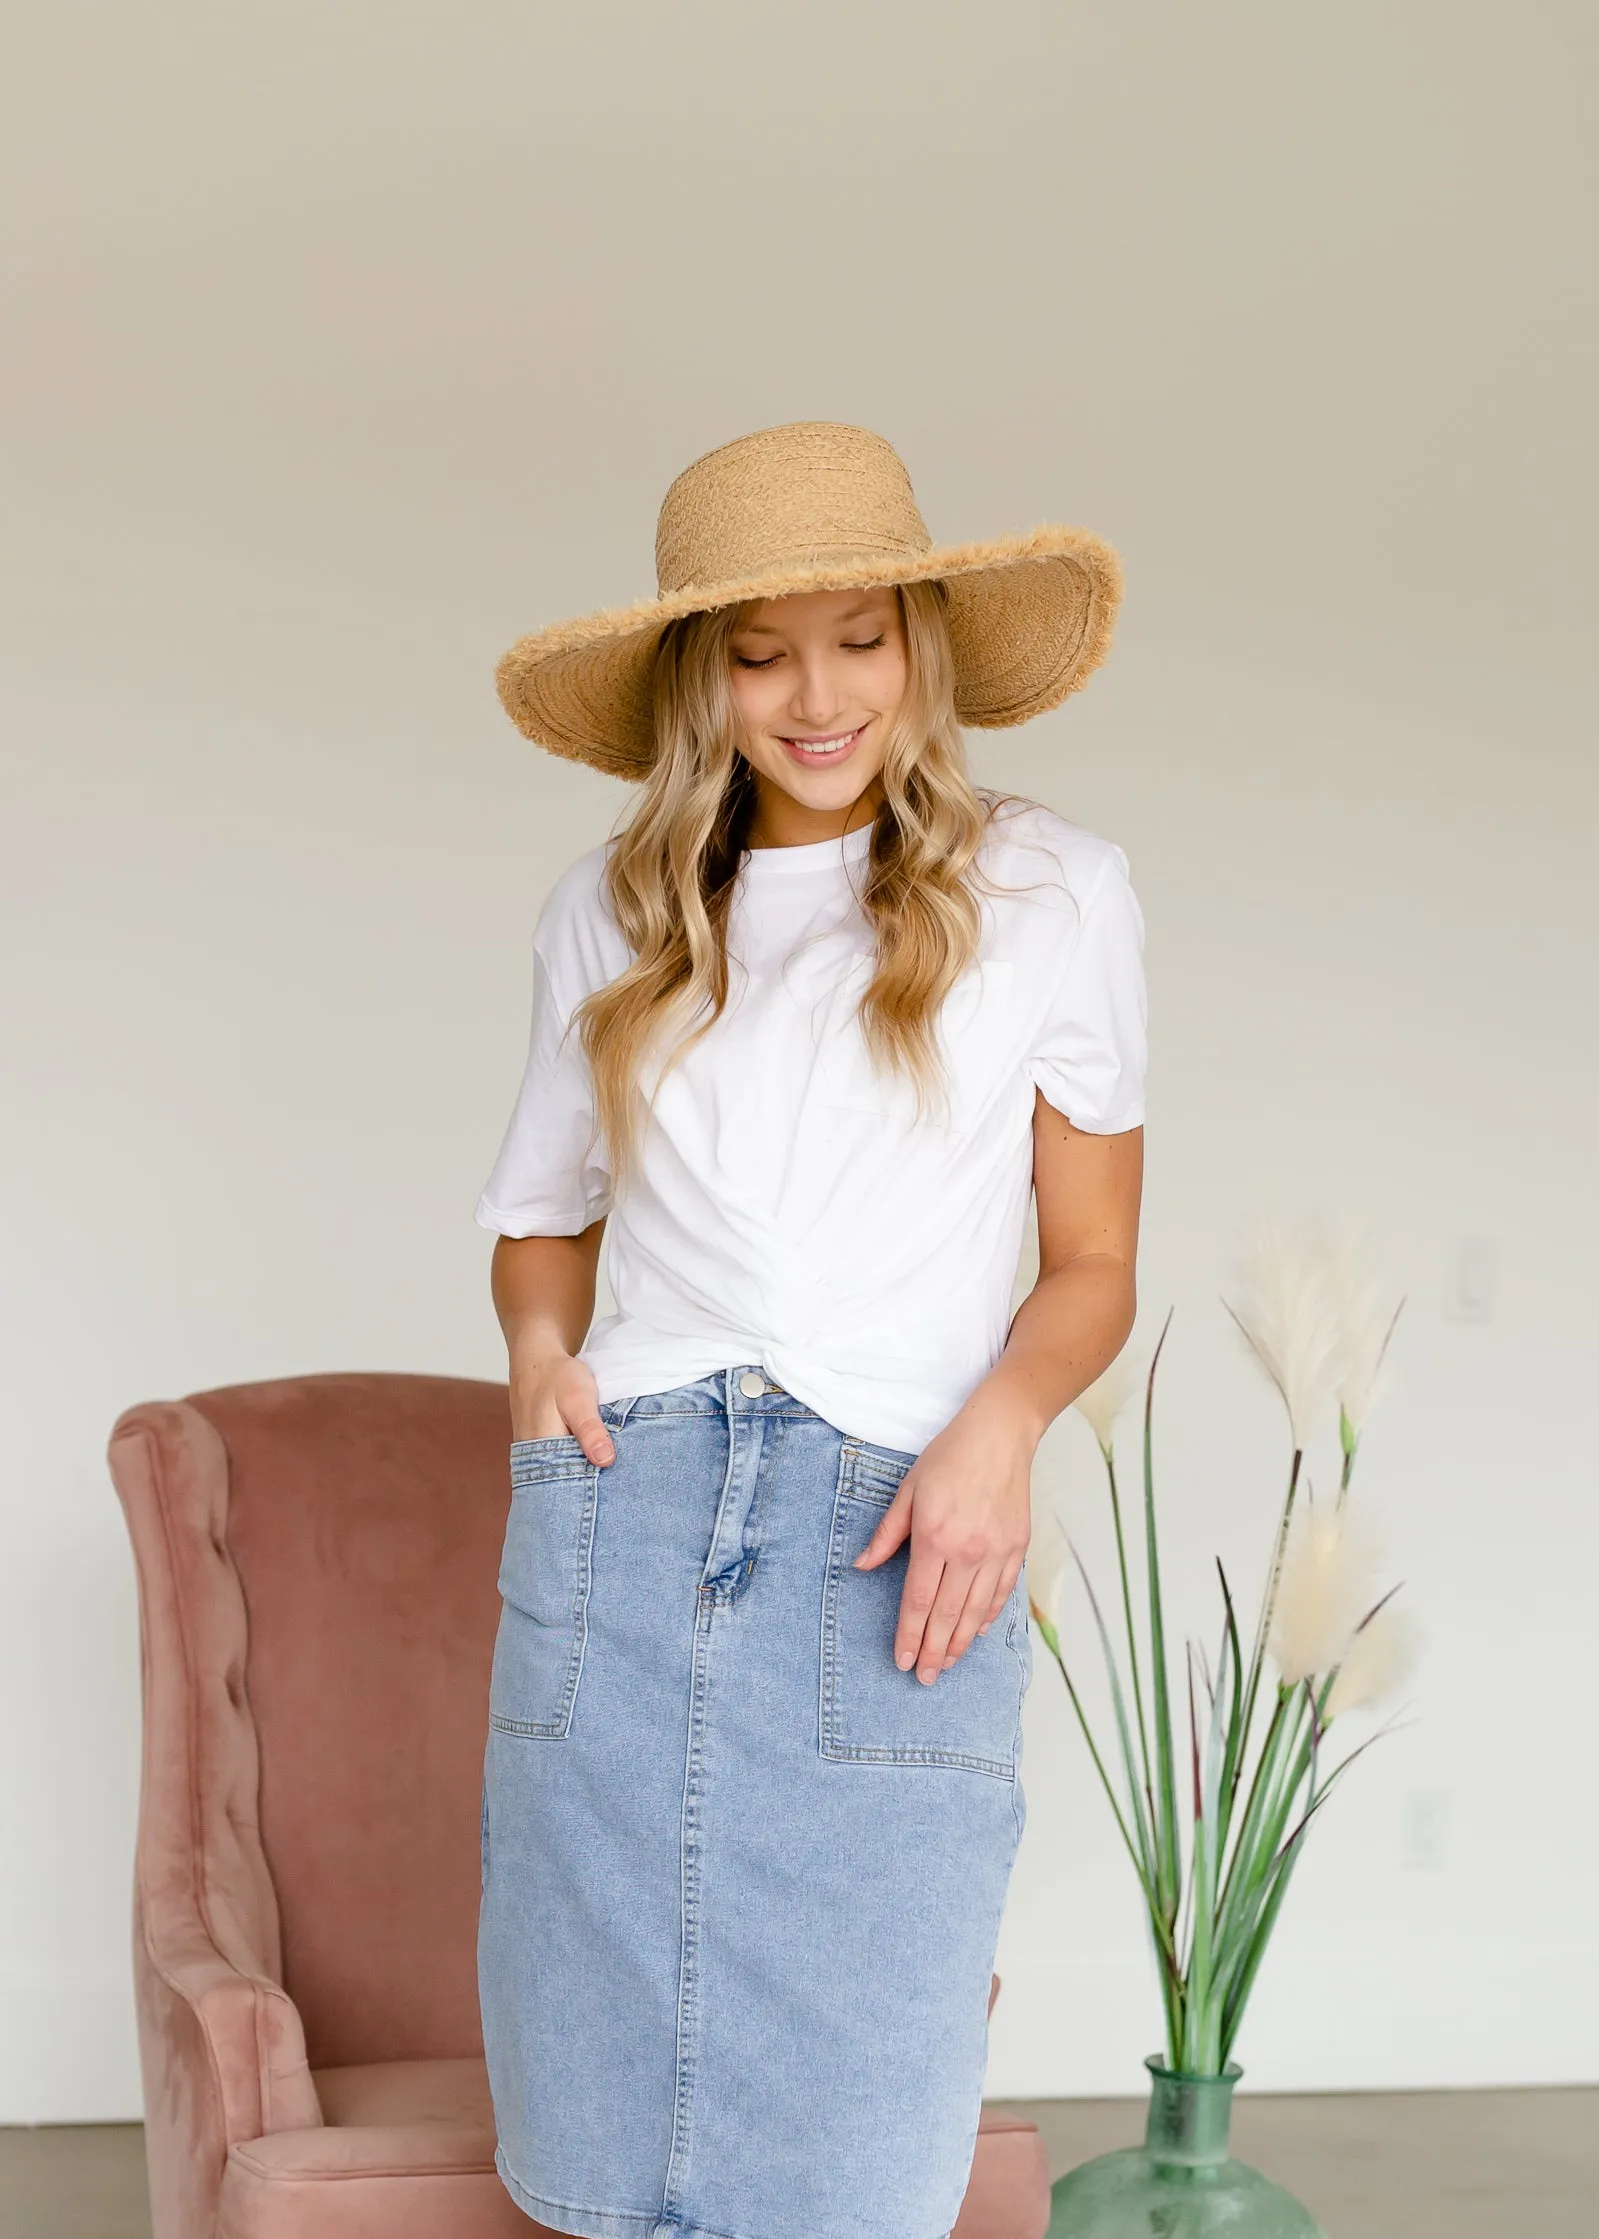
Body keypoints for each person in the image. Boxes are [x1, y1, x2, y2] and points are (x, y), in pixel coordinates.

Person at [474, 421, 1146, 2239]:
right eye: (758, 652)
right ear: (704, 679)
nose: (813, 693)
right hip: (629, 1507)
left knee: (860, 2137)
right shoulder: (608, 911)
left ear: (921, 642)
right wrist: (543, 1364)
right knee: (601, 2130)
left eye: (857, 637)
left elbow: (1091, 1263)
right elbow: (541, 1220)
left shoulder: (1051, 893)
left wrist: (999, 1431)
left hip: (893, 1521)